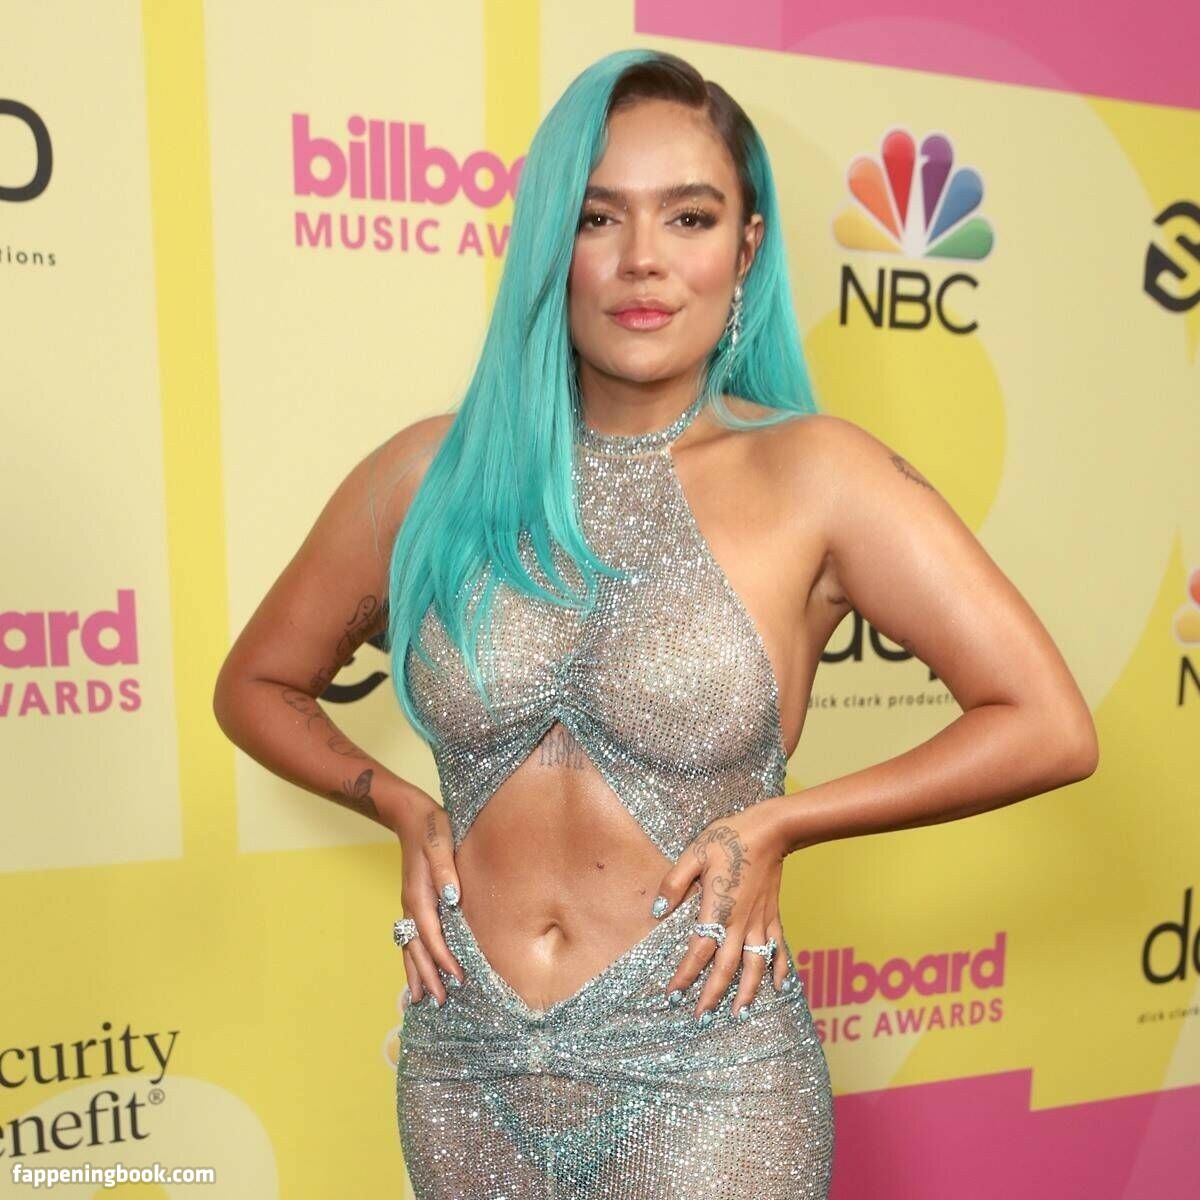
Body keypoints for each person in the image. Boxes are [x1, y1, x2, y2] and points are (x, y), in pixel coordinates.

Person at [213, 48, 1098, 1200]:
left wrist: (783, 823)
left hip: (711, 1075)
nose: (642, 260)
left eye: (689, 216)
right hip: (463, 1068)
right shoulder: (429, 476)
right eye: (598, 218)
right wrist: (394, 801)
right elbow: (258, 683)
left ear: (747, 246)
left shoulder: (816, 475)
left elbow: (1046, 724)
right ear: (552, 245)